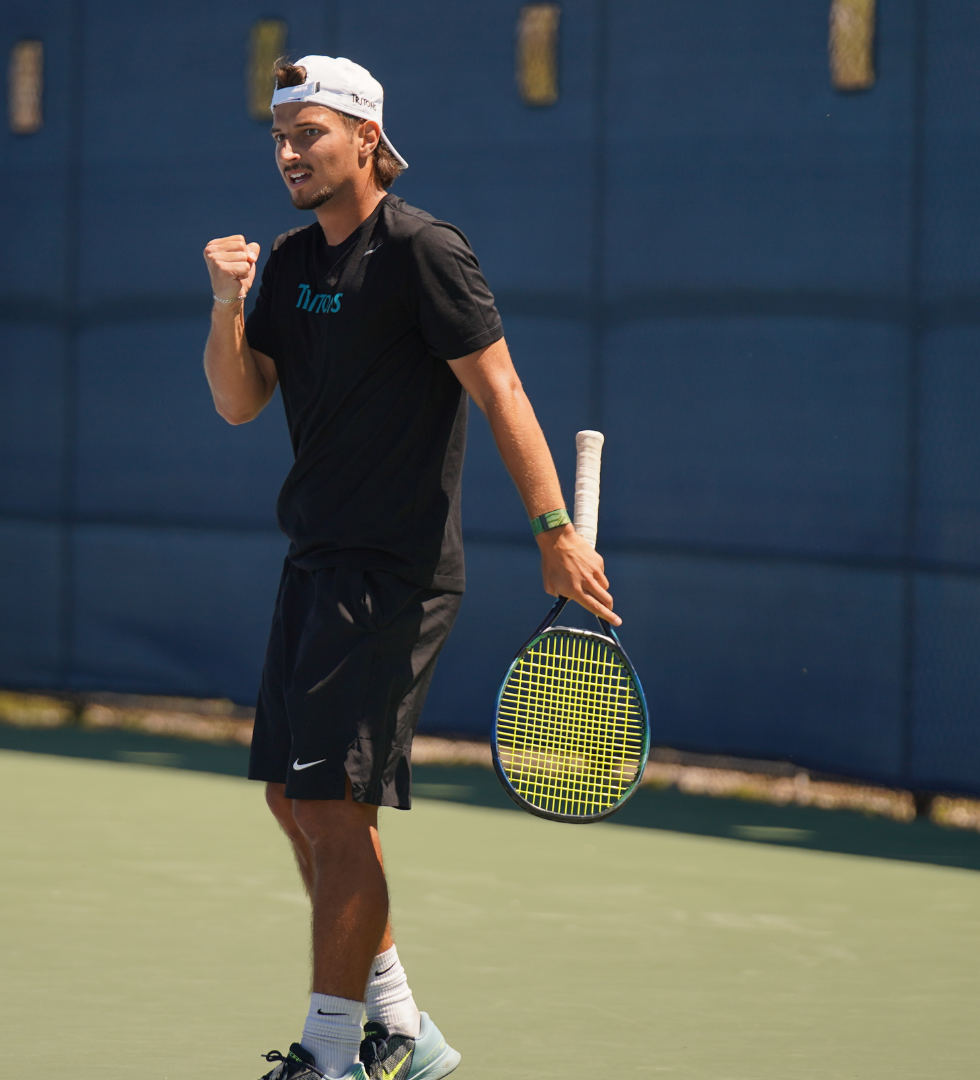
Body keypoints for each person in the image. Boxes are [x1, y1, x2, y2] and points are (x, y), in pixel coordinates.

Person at [201, 54, 619, 1080]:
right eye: (279, 137)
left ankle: (330, 1054)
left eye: (310, 133)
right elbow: (240, 400)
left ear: (368, 139)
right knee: (293, 800)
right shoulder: (291, 262)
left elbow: (501, 387)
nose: (289, 152)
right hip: (314, 563)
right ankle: (403, 1030)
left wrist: (555, 531)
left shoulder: (426, 251)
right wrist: (226, 305)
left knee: (333, 808)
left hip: (394, 575)